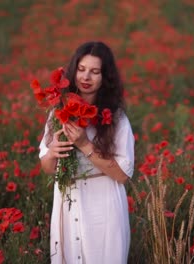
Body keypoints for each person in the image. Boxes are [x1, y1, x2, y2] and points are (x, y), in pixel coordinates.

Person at [38, 41, 135, 264]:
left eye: (95, 72)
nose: (86, 77)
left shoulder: (117, 119)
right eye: (81, 70)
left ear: (105, 77)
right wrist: (52, 153)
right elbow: (47, 168)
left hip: (103, 203)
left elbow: (122, 175)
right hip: (68, 199)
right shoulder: (59, 112)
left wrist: (84, 144)